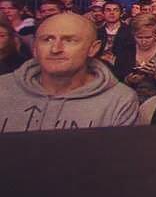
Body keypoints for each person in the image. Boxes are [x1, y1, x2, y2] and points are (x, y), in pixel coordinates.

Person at [0, 13, 138, 132]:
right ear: (35, 48)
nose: (55, 49)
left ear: (93, 48)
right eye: (47, 39)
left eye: (69, 40)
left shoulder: (119, 100)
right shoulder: (3, 88)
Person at [116, 14, 156, 103]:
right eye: (139, 37)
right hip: (129, 102)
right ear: (133, 35)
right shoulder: (126, 51)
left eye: (148, 37)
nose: (144, 41)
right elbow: (116, 80)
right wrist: (128, 80)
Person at [97, 1, 133, 66]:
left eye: (116, 10)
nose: (112, 13)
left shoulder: (130, 32)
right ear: (103, 13)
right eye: (108, 10)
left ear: (121, 14)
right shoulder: (97, 32)